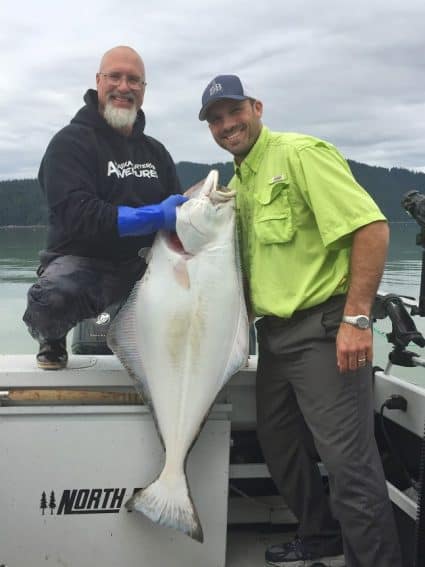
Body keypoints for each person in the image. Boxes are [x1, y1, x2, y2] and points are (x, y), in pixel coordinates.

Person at [199, 75, 402, 567]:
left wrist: (356, 318)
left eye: (234, 112)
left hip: (324, 328)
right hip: (273, 338)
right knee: (279, 444)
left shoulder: (300, 154)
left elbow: (371, 228)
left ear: (257, 107)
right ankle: (320, 535)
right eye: (216, 119)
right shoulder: (238, 184)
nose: (228, 125)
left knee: (348, 465)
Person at [23, 46, 186, 370]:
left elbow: (180, 216)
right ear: (99, 81)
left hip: (146, 266)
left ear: (143, 90)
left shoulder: (156, 152)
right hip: (84, 265)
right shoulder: (69, 143)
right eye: (115, 76)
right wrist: (155, 215)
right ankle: (52, 337)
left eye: (134, 80)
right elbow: (79, 215)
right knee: (50, 300)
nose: (124, 87)